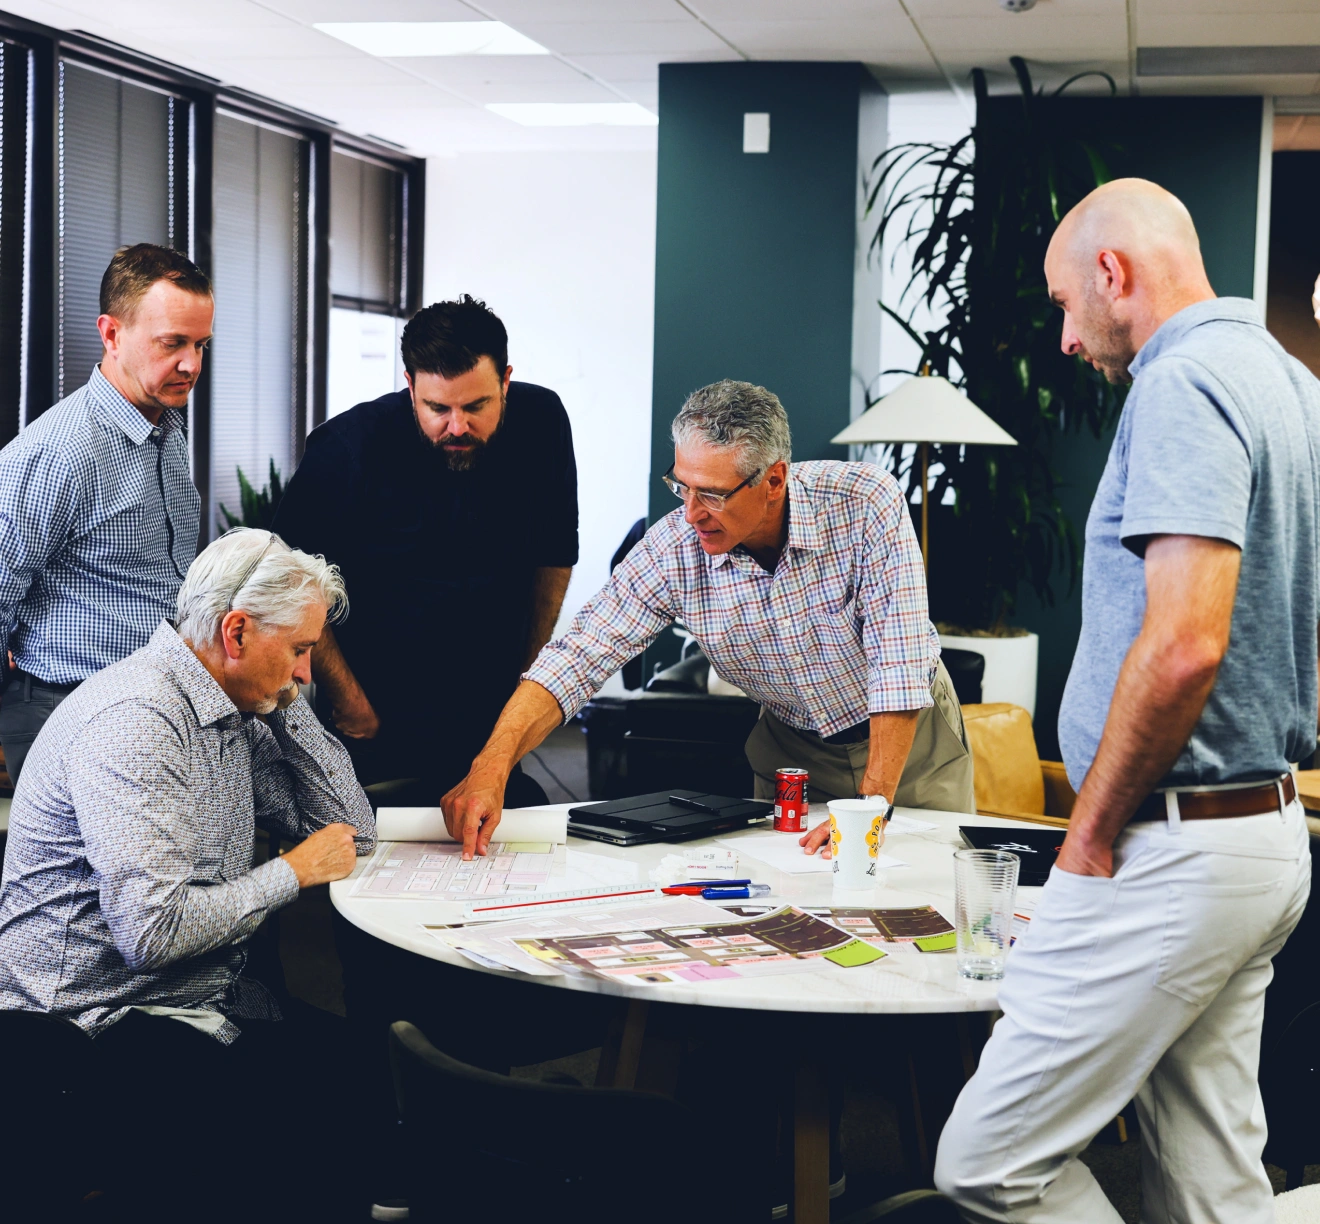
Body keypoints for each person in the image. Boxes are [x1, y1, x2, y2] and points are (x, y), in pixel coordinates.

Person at [934, 179, 1316, 1223]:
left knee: (987, 1163)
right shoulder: (1287, 378)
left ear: (1114, 274)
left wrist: (1090, 832)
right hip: (1259, 835)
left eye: (1064, 304)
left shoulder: (1184, 383)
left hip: (1174, 845)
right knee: (1211, 1184)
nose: (1063, 336)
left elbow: (1186, 644)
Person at [0, 528, 376, 1222]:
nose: (306, 673)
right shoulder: (138, 722)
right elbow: (152, 932)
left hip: (188, 992)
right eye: (299, 652)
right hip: (86, 1017)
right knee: (289, 1124)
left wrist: (292, 711)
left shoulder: (235, 707)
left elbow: (352, 831)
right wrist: (290, 873)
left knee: (355, 1069)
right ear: (236, 631)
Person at [443, 379, 974, 860]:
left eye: (714, 494)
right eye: (682, 486)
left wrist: (872, 806)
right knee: (793, 908)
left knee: (926, 900)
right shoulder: (676, 546)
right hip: (791, 753)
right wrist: (492, 765)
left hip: (911, 741)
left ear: (773, 480)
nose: (692, 511)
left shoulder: (865, 503)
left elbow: (896, 664)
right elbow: (579, 655)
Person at [272, 294, 578, 808]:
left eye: (476, 406)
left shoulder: (542, 422)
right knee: (376, 868)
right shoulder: (348, 449)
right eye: (438, 408)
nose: (456, 426)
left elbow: (554, 554)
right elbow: (290, 582)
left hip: (489, 707)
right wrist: (350, 702)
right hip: (375, 715)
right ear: (410, 385)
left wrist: (530, 683)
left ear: (505, 381)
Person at [0, 243, 211, 783]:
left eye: (200, 344)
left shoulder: (165, 425)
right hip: (65, 706)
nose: (191, 364)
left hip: (151, 705)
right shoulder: (57, 451)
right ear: (112, 334)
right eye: (172, 344)